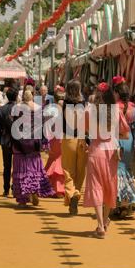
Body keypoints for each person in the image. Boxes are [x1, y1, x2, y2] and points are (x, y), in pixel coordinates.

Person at [83, 82, 130, 239]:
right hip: (110, 152)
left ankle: (100, 224)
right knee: (110, 186)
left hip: (95, 149)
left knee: (95, 186)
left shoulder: (90, 109)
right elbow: (126, 133)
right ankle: (104, 222)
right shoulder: (116, 110)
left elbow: (86, 129)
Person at [11, 81, 54, 206]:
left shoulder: (17, 108)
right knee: (34, 167)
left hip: (20, 143)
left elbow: (14, 126)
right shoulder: (38, 108)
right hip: (34, 142)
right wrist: (44, 143)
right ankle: (34, 192)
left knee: (21, 168)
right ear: (33, 96)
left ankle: (23, 197)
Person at [112, 77, 135, 219]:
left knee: (116, 172)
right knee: (127, 170)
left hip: (116, 141)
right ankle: (126, 203)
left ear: (117, 93)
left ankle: (121, 203)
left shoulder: (113, 108)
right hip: (130, 141)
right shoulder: (134, 109)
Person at [62, 80, 88, 215]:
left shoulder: (64, 104)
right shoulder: (84, 104)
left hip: (68, 139)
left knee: (68, 170)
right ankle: (76, 195)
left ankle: (72, 193)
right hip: (82, 140)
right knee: (80, 171)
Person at [0, 87, 18, 197]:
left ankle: (6, 189)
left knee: (7, 165)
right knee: (17, 165)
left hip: (6, 140)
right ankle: (15, 187)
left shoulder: (1, 110)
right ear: (17, 96)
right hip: (18, 141)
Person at [44, 86, 66, 198]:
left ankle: (49, 187)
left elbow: (46, 126)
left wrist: (46, 140)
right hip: (63, 138)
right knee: (59, 160)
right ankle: (58, 188)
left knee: (53, 159)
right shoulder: (67, 109)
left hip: (53, 139)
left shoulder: (49, 109)